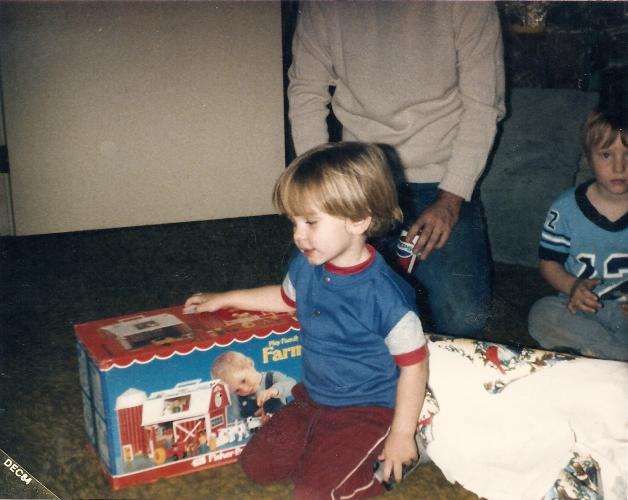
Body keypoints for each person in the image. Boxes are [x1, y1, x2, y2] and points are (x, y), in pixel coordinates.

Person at [185, 142, 428, 499]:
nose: (298, 235)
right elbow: (284, 299)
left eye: (311, 222)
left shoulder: (385, 295)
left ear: (359, 219)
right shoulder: (308, 264)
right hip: (311, 399)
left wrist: (401, 435)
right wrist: (226, 297)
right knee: (257, 466)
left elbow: (415, 366)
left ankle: (406, 452)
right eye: (294, 221)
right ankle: (330, 455)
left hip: (368, 411)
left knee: (315, 494)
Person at [287, 1, 506, 337]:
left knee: (462, 319)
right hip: (360, 178)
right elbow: (306, 93)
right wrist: (322, 189)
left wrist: (451, 199)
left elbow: (483, 105)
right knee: (319, 300)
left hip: (442, 179)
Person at [528, 99, 628, 362]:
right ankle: (611, 354)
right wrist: (572, 286)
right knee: (541, 314)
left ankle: (601, 357)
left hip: (625, 312)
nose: (620, 167)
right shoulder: (566, 208)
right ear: (589, 158)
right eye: (606, 155)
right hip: (577, 306)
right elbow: (549, 262)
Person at [211, 350, 296, 419]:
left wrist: (275, 390)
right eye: (237, 390)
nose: (245, 389)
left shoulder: (271, 378)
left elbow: (292, 384)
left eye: (243, 381)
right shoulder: (238, 400)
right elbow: (237, 418)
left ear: (250, 364)